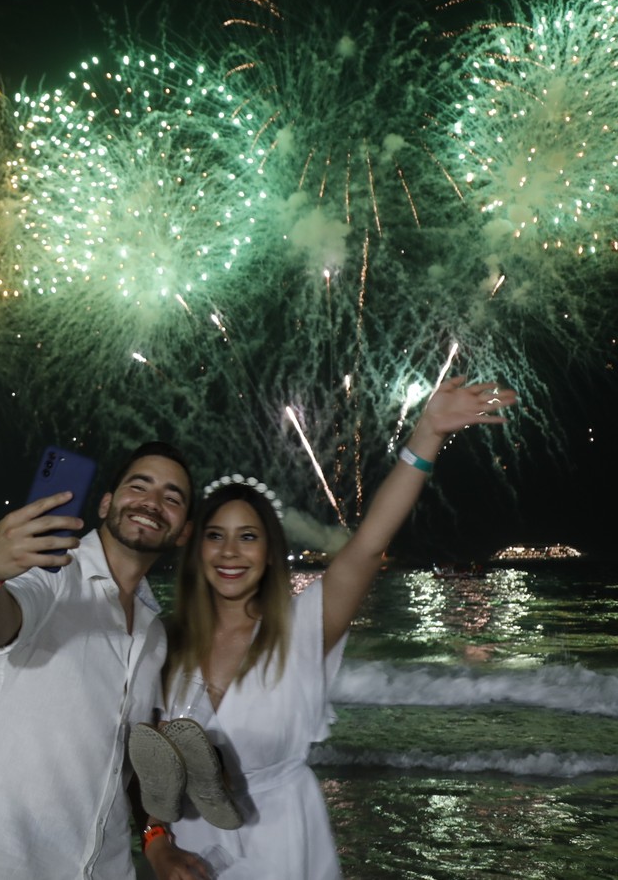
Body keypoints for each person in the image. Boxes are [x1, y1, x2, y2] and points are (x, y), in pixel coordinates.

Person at [135, 377, 516, 880]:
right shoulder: (166, 640)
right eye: (215, 537)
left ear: (269, 553)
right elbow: (155, 766)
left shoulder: (301, 628)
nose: (230, 553)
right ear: (197, 550)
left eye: (247, 537)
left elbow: (366, 546)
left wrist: (427, 435)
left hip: (281, 843)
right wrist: (157, 842)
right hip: (189, 852)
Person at [0, 443, 195, 880]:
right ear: (107, 503)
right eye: (139, 486)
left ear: (183, 531)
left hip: (104, 865)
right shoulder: (50, 572)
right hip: (0, 862)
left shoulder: (155, 635)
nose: (152, 503)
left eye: (172, 498)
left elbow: (127, 756)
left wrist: (154, 837)